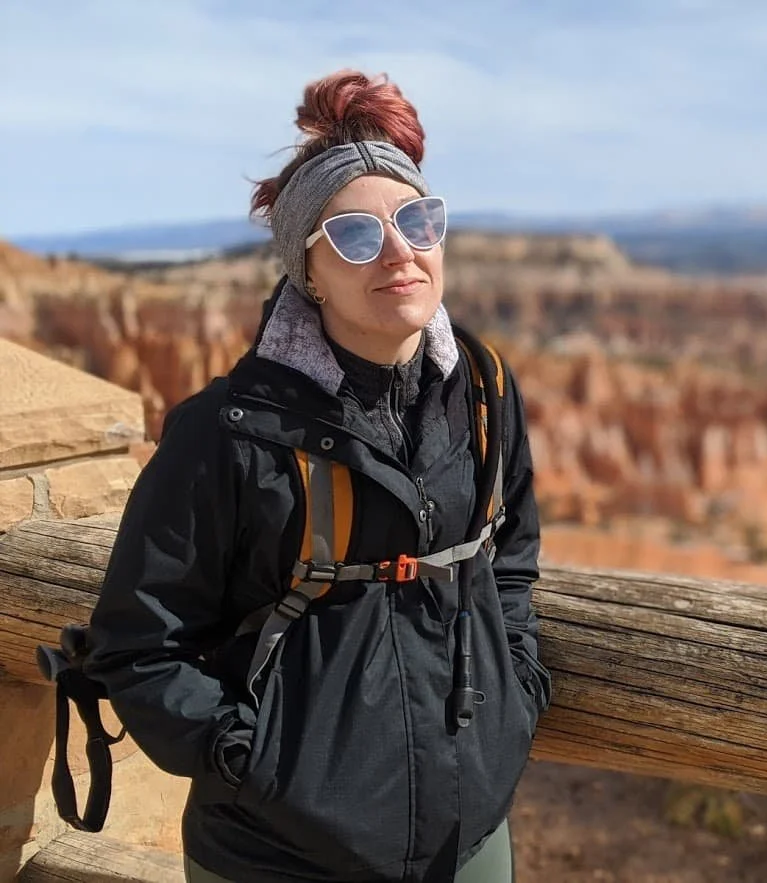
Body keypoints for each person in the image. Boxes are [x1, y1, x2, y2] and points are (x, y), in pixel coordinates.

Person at [83, 69, 552, 883]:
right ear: (311, 272)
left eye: (417, 221)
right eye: (356, 237)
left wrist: (515, 688)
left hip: (468, 834)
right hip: (279, 852)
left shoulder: (482, 390)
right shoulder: (228, 432)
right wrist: (255, 762)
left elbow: (507, 556)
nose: (399, 252)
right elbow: (139, 644)